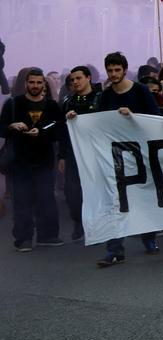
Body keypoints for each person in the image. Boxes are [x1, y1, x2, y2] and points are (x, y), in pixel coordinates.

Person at [96, 52, 163, 267]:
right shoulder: (106, 96)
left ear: (125, 70)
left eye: (117, 70)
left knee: (143, 197)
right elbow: (96, 123)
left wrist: (132, 115)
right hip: (115, 156)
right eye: (110, 70)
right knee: (115, 202)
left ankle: (149, 237)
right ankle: (115, 249)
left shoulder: (141, 91)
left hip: (140, 154)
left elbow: (155, 117)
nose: (114, 74)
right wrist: (76, 119)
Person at [2, 68, 65, 251]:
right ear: (26, 83)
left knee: (47, 200)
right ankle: (23, 238)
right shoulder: (13, 103)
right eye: (32, 82)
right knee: (21, 202)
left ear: (43, 84)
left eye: (39, 82)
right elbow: (1, 127)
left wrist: (42, 131)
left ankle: (48, 236)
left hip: (44, 161)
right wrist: (12, 126)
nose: (35, 86)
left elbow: (58, 129)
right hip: (19, 162)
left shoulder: (52, 106)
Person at [61, 65, 103, 241]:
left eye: (79, 78)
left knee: (98, 189)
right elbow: (62, 133)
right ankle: (79, 222)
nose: (75, 82)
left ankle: (99, 224)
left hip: (96, 152)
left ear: (88, 78)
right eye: (73, 80)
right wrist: (61, 156)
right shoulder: (68, 102)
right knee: (73, 192)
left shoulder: (101, 98)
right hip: (73, 154)